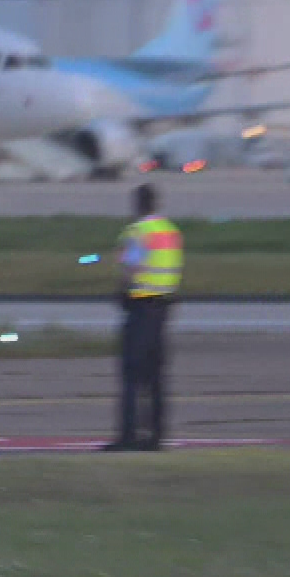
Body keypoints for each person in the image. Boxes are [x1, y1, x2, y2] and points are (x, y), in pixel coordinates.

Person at [105, 183, 183, 452]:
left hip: (140, 307)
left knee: (131, 374)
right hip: (163, 309)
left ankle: (128, 435)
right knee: (156, 377)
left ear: (137, 203)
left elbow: (131, 267)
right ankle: (156, 435)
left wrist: (122, 292)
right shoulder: (170, 231)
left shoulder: (138, 232)